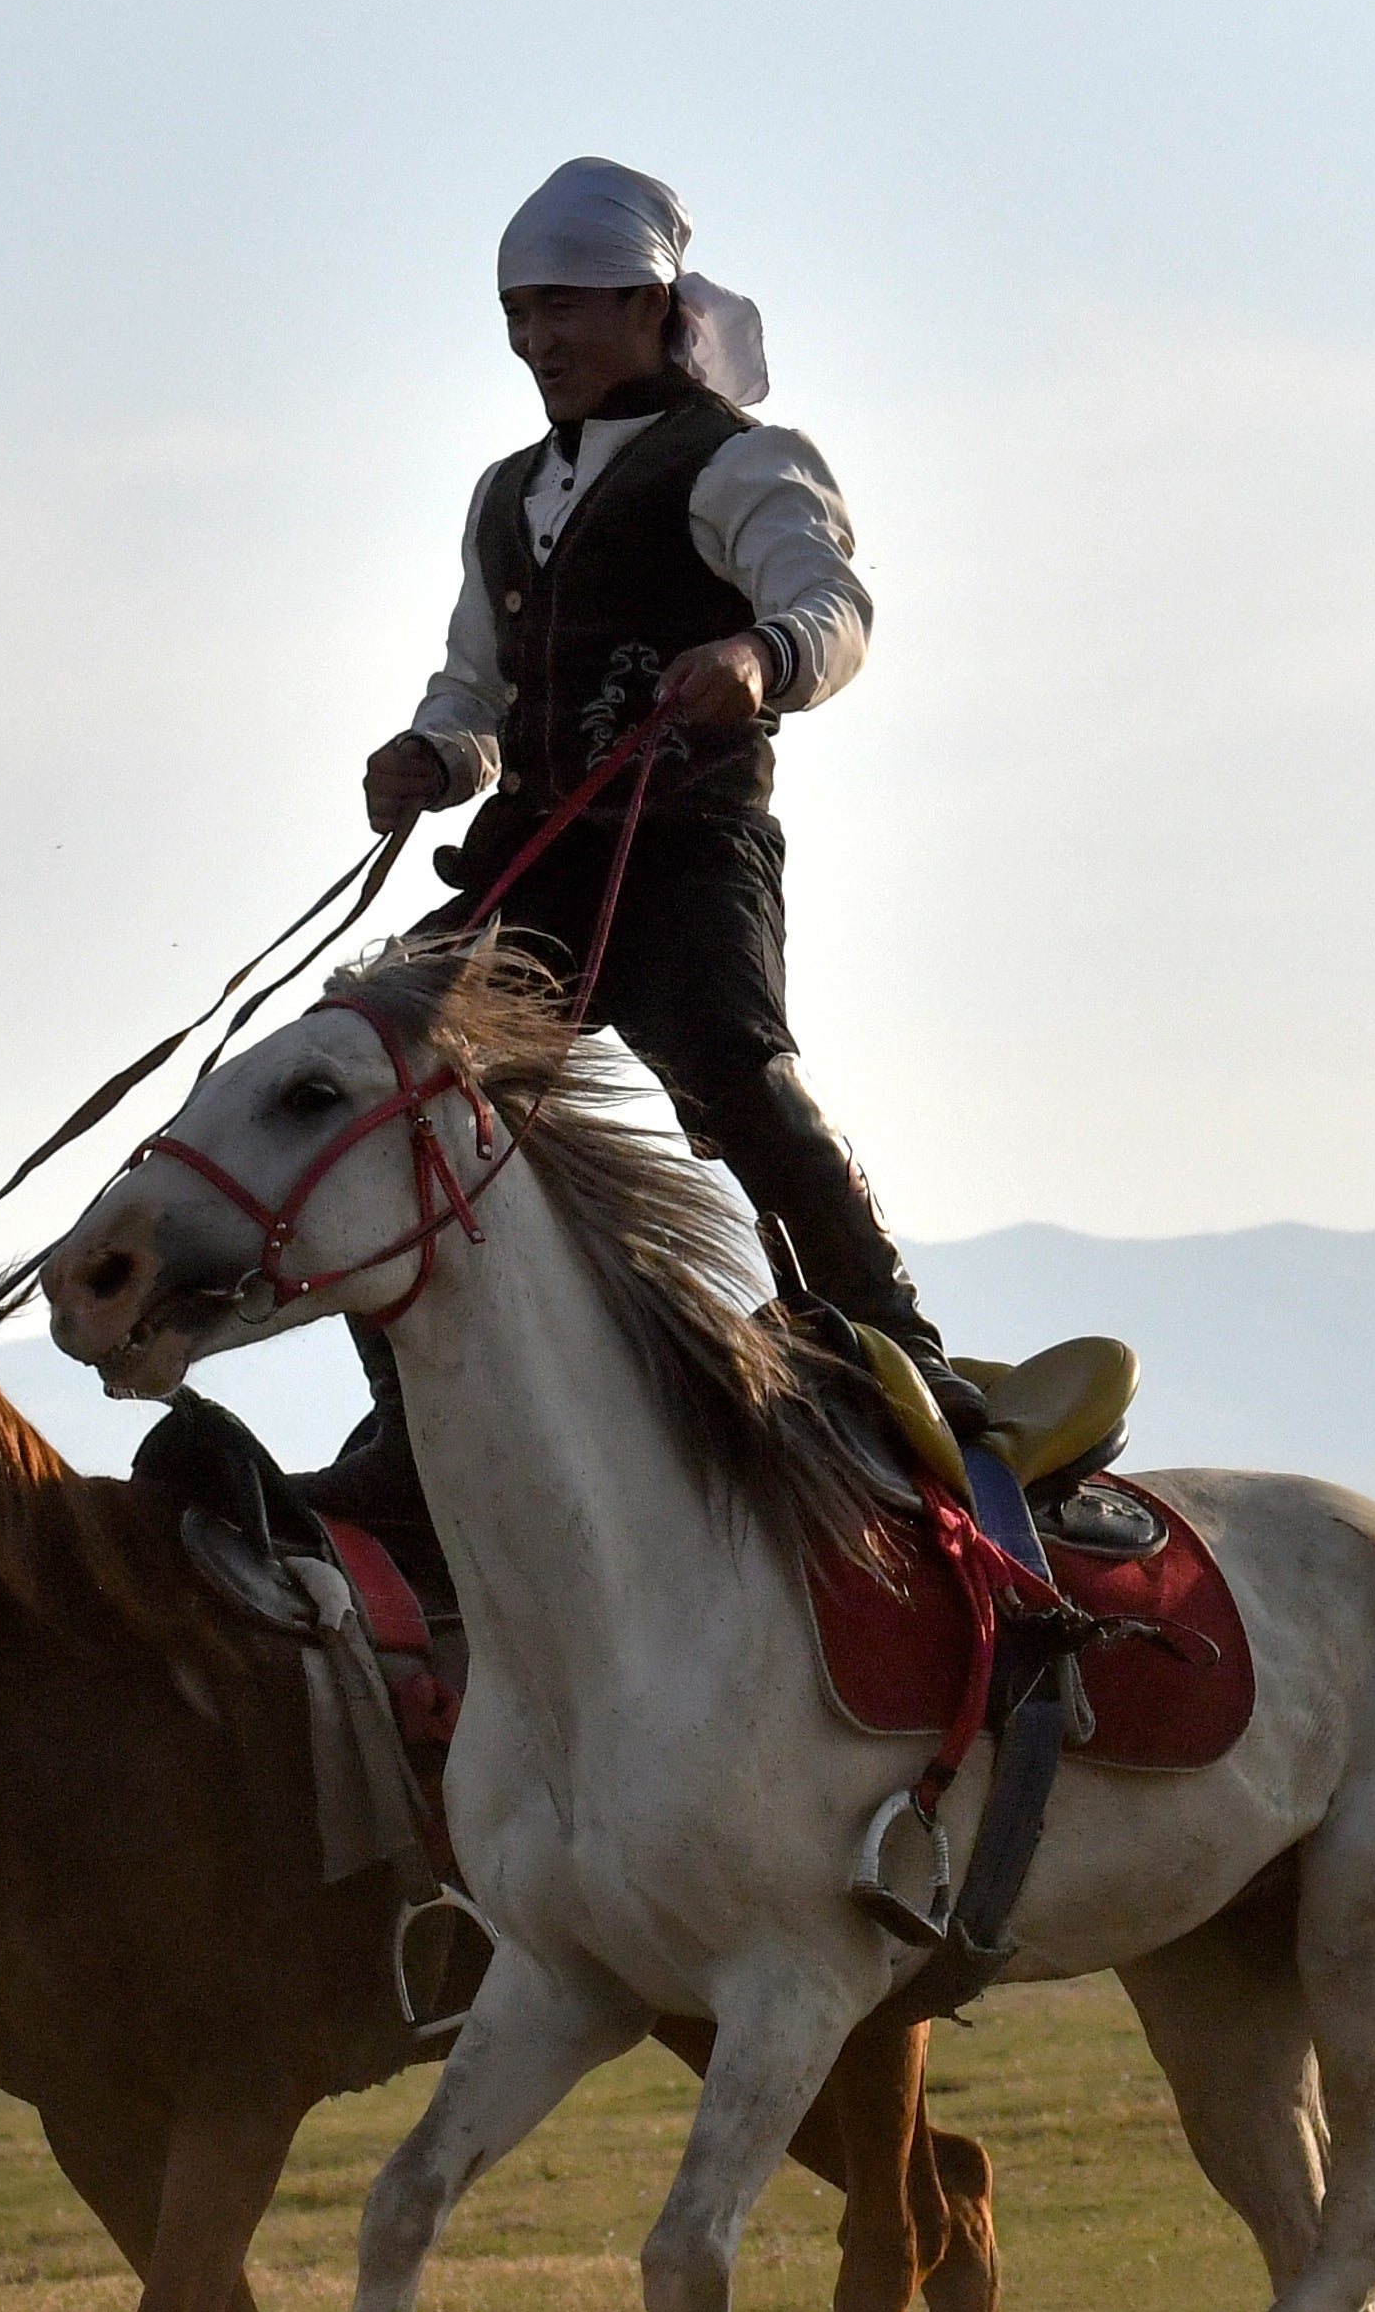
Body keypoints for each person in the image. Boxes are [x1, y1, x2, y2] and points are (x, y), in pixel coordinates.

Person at [313, 156, 973, 1531]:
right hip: (528, 855)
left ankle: (897, 1352)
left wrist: (757, 651)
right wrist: (434, 754)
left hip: (686, 845)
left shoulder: (740, 458)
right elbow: (476, 690)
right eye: (518, 312)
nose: (537, 339)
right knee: (369, 1074)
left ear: (648, 304)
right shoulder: (504, 492)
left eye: (567, 308)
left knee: (738, 1078)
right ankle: (412, 1420)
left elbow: (831, 608)